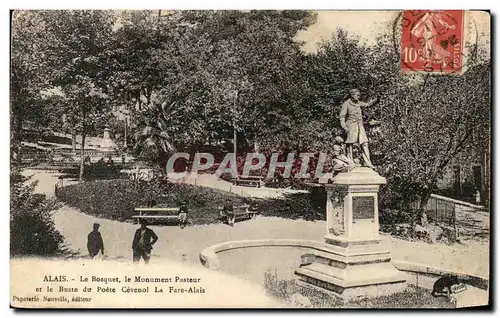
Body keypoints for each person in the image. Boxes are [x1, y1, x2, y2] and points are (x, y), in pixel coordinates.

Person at [339, 89, 378, 168]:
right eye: (357, 95)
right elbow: (342, 117)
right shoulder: (346, 104)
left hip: (360, 126)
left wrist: (377, 99)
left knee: (365, 143)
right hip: (351, 126)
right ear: (352, 95)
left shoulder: (358, 103)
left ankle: (368, 162)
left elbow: (367, 104)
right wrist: (344, 127)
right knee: (350, 144)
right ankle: (350, 162)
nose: (359, 96)